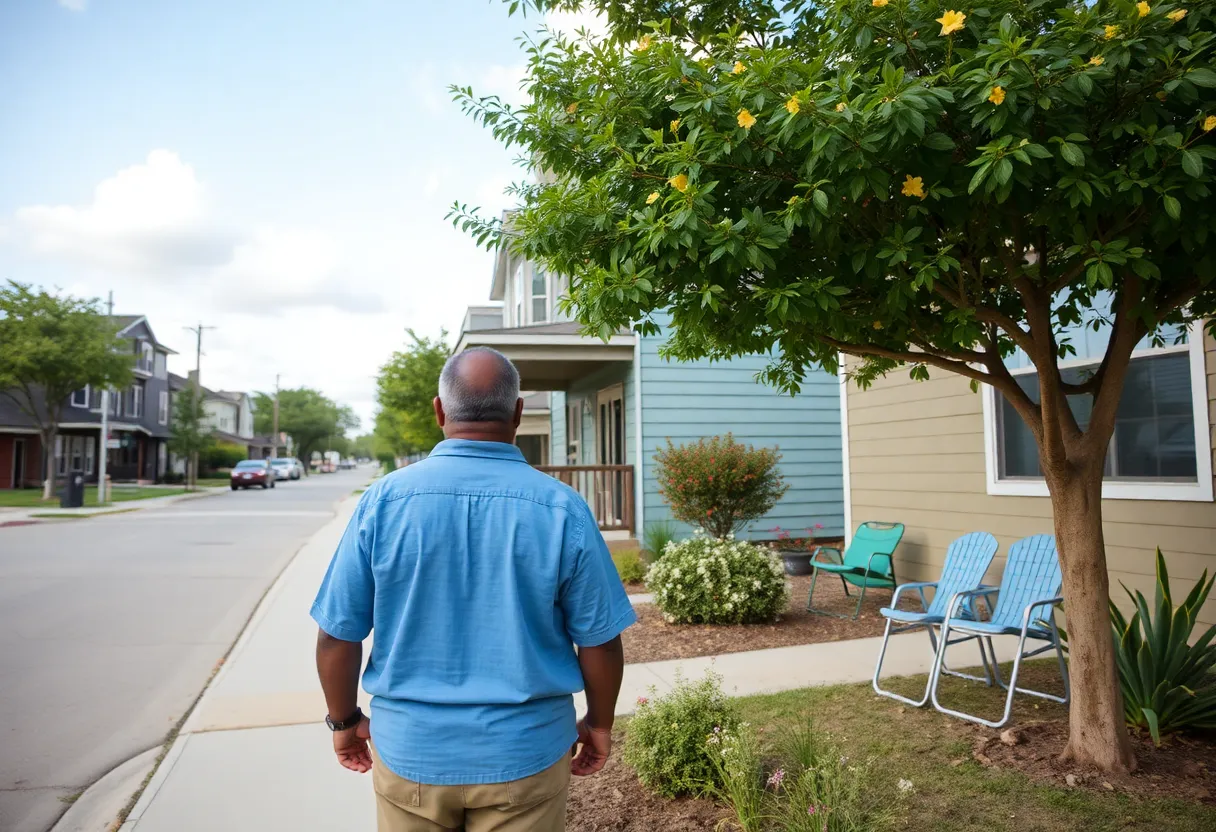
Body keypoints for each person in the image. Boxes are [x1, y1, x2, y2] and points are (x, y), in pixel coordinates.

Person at [311, 347, 636, 832]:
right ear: (519, 414)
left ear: (440, 411)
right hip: (525, 754)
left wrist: (343, 724)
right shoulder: (562, 508)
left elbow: (337, 634)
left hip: (412, 754)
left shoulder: (383, 503)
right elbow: (600, 639)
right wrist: (600, 725)